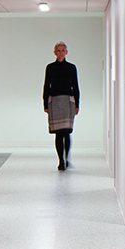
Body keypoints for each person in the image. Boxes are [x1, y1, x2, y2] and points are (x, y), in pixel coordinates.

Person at [43, 42, 80, 171]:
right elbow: (46, 85)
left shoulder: (71, 67)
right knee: (58, 133)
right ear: (54, 52)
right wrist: (45, 103)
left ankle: (66, 157)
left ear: (66, 52)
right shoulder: (50, 67)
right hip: (55, 101)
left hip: (68, 101)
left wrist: (77, 104)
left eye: (62, 50)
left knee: (67, 132)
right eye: (58, 50)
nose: (60, 52)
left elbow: (75, 86)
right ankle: (61, 161)